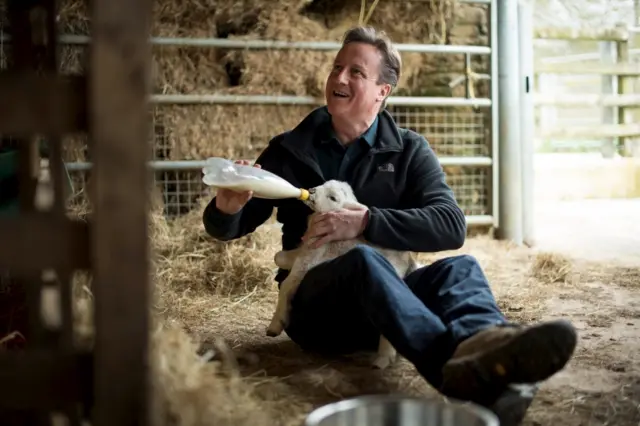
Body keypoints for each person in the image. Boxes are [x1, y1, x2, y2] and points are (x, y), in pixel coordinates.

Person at [203, 25, 577, 424]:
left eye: (356, 72)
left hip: (391, 307)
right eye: (337, 67)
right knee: (364, 263)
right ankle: (451, 367)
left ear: (383, 91)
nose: (339, 78)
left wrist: (368, 220)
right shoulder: (290, 150)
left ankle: (488, 346)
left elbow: (451, 226)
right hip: (318, 312)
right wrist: (227, 206)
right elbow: (229, 229)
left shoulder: (410, 150)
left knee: (461, 268)